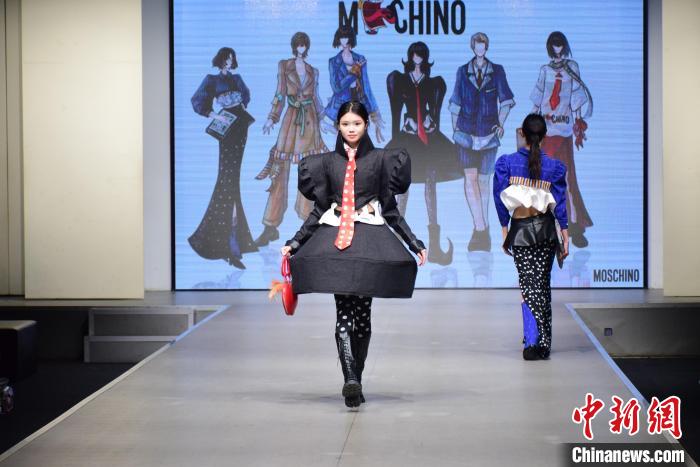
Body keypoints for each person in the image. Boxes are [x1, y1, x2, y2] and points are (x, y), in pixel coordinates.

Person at [281, 101, 427, 408]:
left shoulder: (381, 160)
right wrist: (295, 242)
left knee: (363, 317)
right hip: (337, 243)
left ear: (366, 125)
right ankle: (350, 379)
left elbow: (390, 210)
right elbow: (319, 209)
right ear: (337, 126)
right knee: (344, 313)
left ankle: (355, 378)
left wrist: (414, 243)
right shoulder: (324, 163)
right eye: (346, 124)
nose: (351, 129)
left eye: (356, 124)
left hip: (369, 242)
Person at [493, 114, 569, 360]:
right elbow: (560, 204)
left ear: (522, 134)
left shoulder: (508, 163)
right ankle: (542, 342)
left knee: (527, 285)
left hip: (521, 230)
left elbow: (499, 199)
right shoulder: (553, 167)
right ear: (545, 136)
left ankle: (532, 342)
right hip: (546, 230)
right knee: (541, 284)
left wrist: (504, 230)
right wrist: (565, 234)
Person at [386, 41, 462, 265]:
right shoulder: (400, 80)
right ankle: (396, 241)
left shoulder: (433, 82)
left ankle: (434, 246)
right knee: (403, 184)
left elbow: (435, 114)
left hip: (427, 138)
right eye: (414, 54)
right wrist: (402, 129)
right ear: (410, 56)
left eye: (420, 54)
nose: (417, 58)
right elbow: (396, 114)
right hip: (408, 136)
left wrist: (431, 123)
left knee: (431, 180)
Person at [253, 32, 329, 247]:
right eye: (298, 44)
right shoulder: (284, 66)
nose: (301, 48)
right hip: (291, 120)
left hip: (310, 121)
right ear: (294, 46)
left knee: (309, 173)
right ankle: (270, 225)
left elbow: (315, 97)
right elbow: (279, 93)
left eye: (304, 45)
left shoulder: (313, 70)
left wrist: (323, 119)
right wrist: (272, 117)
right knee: (279, 170)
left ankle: (308, 224)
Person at [189, 47, 257, 269]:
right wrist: (214, 115)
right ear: (220, 60)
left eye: (231, 58)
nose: (229, 61)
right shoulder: (211, 79)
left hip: (240, 124)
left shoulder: (237, 78)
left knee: (232, 180)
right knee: (227, 180)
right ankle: (227, 243)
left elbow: (246, 95)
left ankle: (232, 242)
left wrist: (241, 105)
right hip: (226, 124)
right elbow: (197, 101)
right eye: (226, 58)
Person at [449, 32, 515, 252]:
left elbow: (506, 101)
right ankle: (480, 229)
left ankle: (483, 230)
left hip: (488, 134)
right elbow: (455, 103)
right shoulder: (462, 71)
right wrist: (455, 130)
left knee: (484, 182)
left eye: (483, 45)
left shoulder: (497, 71)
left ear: (486, 48)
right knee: (470, 179)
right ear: (473, 47)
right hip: (466, 134)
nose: (480, 49)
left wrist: (501, 123)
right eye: (477, 45)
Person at [530, 31, 593, 248]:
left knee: (567, 179)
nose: (557, 52)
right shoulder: (545, 71)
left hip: (564, 131)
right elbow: (537, 101)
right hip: (546, 133)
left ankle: (575, 227)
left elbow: (577, 97)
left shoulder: (571, 68)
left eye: (560, 47)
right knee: (546, 181)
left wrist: (579, 123)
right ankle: (551, 229)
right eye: (554, 47)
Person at [321, 26, 385, 143]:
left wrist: (375, 113)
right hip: (341, 105)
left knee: (361, 140)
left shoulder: (360, 59)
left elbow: (366, 86)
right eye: (341, 37)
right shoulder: (333, 61)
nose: (344, 40)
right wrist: (353, 73)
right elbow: (336, 87)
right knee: (343, 142)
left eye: (346, 37)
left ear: (351, 38)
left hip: (359, 100)